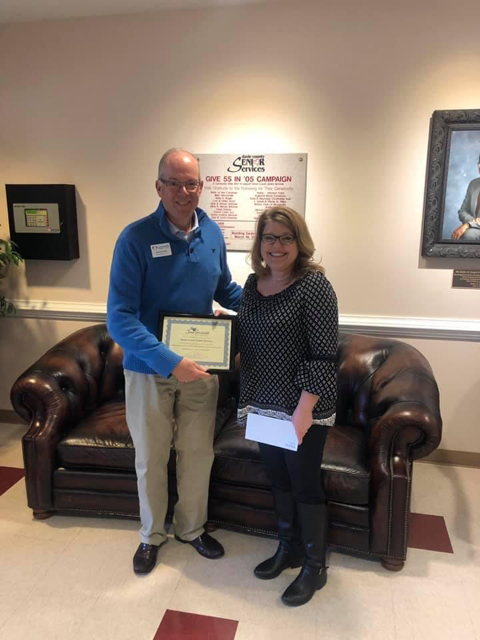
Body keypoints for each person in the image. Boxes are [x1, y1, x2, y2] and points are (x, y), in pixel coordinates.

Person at [107, 148, 242, 575]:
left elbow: (225, 289)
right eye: (174, 183)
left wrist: (269, 305)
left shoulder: (212, 233)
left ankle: (191, 528)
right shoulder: (135, 239)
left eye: (191, 183)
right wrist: (170, 361)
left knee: (197, 453)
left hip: (201, 368)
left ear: (202, 186)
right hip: (149, 370)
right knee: (150, 456)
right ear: (159, 187)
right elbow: (119, 318)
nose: (184, 192)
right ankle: (151, 535)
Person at [237, 206, 338, 607]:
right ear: (259, 243)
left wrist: (304, 410)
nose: (276, 246)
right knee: (278, 480)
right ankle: (288, 548)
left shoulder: (314, 286)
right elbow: (246, 336)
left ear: (299, 242)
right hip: (263, 405)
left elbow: (323, 355)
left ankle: (315, 566)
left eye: (285, 237)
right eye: (269, 237)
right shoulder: (252, 284)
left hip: (302, 409)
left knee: (304, 485)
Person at [451, 154, 480, 241]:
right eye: (479, 163)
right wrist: (473, 222)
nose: (479, 167)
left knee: (467, 235)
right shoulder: (473, 184)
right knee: (457, 235)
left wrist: (467, 225)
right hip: (475, 226)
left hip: (473, 228)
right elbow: (463, 211)